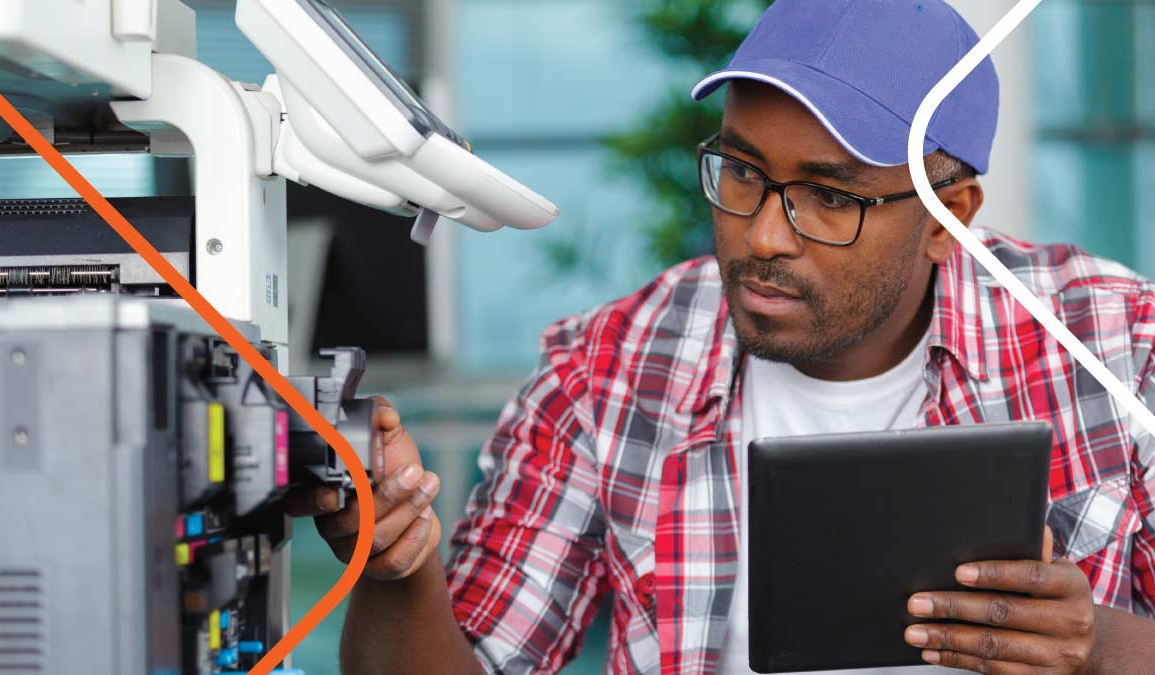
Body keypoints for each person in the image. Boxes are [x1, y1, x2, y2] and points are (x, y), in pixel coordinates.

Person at [286, 1, 1155, 672]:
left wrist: (1094, 648)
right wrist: (397, 565)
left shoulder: (1116, 343)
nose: (765, 236)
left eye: (830, 195)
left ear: (948, 218)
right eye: (742, 170)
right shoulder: (608, 370)